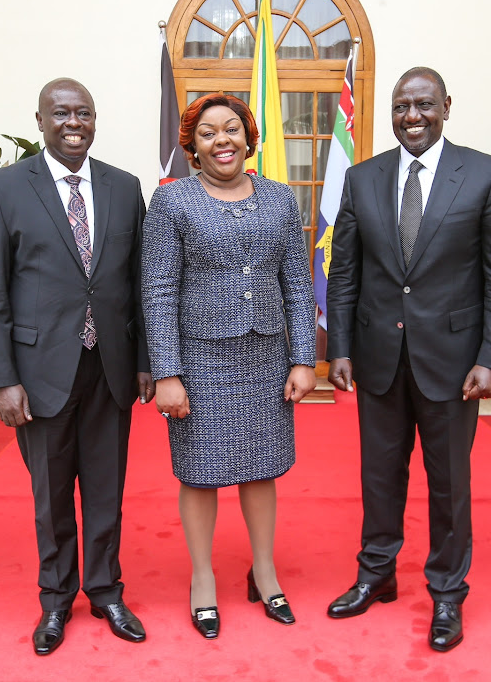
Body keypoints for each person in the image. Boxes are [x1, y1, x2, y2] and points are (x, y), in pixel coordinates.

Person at [325, 67, 491, 652]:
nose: (412, 116)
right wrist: (338, 347)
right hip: (378, 356)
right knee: (378, 475)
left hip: (454, 362)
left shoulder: (486, 175)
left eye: (424, 105)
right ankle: (376, 573)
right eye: (401, 106)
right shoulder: (363, 178)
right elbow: (345, 272)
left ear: (446, 106)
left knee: (449, 483)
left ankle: (446, 593)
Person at [0, 78, 154, 655]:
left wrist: (146, 361)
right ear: (41, 120)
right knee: (51, 498)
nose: (74, 123)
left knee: (107, 489)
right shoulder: (4, 188)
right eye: (62, 114)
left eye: (84, 113)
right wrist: (2, 378)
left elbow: (139, 284)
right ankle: (56, 600)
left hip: (111, 367)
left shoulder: (124, 188)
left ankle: (105, 590)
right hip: (39, 370)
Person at [141, 93, 316, 639]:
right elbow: (159, 289)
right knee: (200, 472)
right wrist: (167, 372)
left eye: (233, 129)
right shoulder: (172, 204)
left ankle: (263, 572)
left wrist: (303, 358)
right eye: (210, 132)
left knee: (261, 467)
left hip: (265, 358)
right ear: (192, 145)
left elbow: (296, 282)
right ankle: (201, 579)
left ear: (249, 137)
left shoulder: (281, 199)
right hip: (199, 360)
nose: (223, 140)